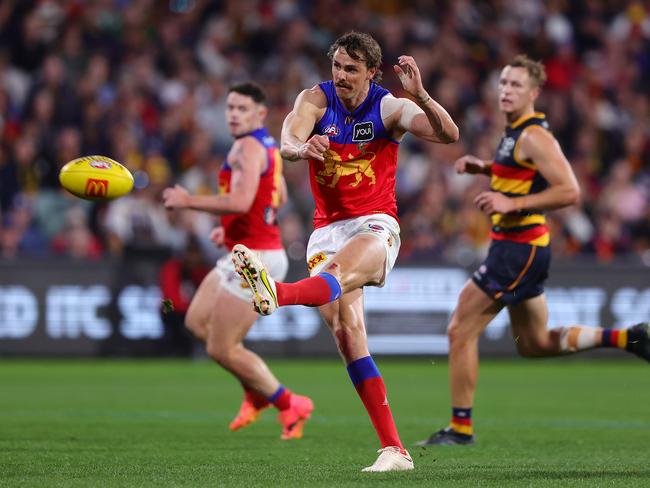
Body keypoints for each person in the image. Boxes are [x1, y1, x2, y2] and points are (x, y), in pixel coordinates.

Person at [232, 31, 459, 472]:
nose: (340, 75)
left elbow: (449, 135)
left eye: (351, 69)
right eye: (337, 66)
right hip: (327, 230)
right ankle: (396, 450)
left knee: (338, 275)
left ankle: (276, 292)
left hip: (375, 224)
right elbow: (288, 140)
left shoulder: (389, 106)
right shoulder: (315, 100)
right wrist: (303, 148)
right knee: (347, 333)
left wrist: (423, 96)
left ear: (371, 72)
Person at [415, 55, 650, 447]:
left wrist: (512, 205)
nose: (506, 90)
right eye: (504, 83)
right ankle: (629, 339)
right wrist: (486, 169)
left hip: (517, 250)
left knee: (460, 329)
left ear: (534, 93)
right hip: (522, 248)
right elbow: (522, 172)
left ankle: (460, 429)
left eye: (516, 85)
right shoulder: (515, 133)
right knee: (536, 344)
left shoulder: (534, 136)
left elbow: (570, 190)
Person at [162, 82, 314, 440]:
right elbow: (277, 196)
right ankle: (253, 392)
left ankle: (289, 403)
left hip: (255, 258)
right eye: (230, 107)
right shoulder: (266, 146)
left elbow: (241, 201)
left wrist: (188, 201)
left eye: (242, 109)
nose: (233, 115)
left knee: (220, 347)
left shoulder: (247, 147)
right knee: (198, 323)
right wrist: (230, 231)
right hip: (242, 249)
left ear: (260, 113)